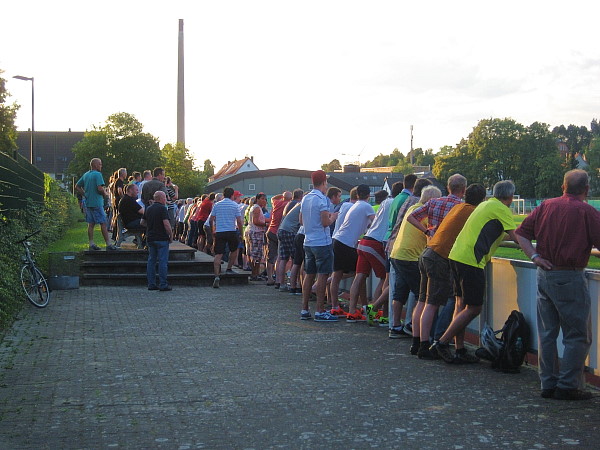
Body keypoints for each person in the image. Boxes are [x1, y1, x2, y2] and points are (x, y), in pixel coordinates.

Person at [516, 169, 600, 401]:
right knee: (577, 335)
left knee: (548, 333)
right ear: (586, 189)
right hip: (570, 277)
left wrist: (534, 257)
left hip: (544, 274)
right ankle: (568, 385)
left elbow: (520, 234)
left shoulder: (546, 206)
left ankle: (548, 382)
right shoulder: (587, 212)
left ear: (563, 186)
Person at [430, 180, 519, 362]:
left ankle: (460, 349)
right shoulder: (502, 209)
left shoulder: (486, 204)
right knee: (474, 307)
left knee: (460, 304)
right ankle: (442, 343)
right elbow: (517, 237)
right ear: (510, 197)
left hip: (456, 255)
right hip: (471, 260)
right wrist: (537, 252)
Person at [412, 184, 486, 359]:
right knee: (433, 303)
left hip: (428, 252)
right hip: (439, 257)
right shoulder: (472, 212)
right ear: (482, 200)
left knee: (422, 300)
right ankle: (425, 346)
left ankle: (417, 343)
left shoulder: (459, 207)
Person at [386, 185, 442, 336]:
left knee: (400, 292)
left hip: (397, 254)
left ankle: (395, 326)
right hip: (411, 257)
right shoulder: (427, 213)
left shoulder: (413, 208)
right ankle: (416, 327)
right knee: (422, 295)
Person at [331, 184, 375, 321]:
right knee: (360, 274)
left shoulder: (354, 205)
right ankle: (359, 309)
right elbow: (376, 223)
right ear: (369, 195)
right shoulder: (366, 206)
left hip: (337, 240)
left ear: (356, 195)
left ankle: (335, 306)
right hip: (347, 243)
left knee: (337, 274)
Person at [300, 170, 339, 321]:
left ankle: (304, 309)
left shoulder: (306, 198)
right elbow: (325, 222)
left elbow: (302, 220)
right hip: (322, 242)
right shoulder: (322, 200)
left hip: (308, 241)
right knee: (323, 275)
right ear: (323, 182)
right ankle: (320, 310)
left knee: (309, 275)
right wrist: (333, 217)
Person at [75, 158, 120, 251]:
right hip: (97, 202)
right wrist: (105, 195)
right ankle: (108, 244)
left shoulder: (86, 174)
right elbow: (100, 188)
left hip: (88, 203)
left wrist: (84, 194)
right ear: (95, 165)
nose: (101, 166)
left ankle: (91, 243)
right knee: (103, 222)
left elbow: (77, 186)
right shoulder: (98, 174)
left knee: (90, 224)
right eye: (100, 164)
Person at [209, 187, 243, 289]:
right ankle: (229, 268)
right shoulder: (235, 205)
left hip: (220, 231)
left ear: (223, 195)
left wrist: (213, 230)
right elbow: (239, 221)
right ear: (232, 195)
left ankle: (216, 276)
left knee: (218, 254)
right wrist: (241, 233)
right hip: (231, 231)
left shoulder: (217, 205)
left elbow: (211, 219)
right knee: (234, 251)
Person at [141, 190, 172, 292]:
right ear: (161, 198)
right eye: (165, 198)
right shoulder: (163, 209)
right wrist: (170, 235)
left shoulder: (149, 209)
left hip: (151, 237)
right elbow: (166, 224)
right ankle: (163, 284)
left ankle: (151, 283)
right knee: (163, 261)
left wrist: (151, 225)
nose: (166, 200)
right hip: (162, 238)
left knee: (151, 261)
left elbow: (142, 222)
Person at [266, 192, 291, 287]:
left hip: (271, 230)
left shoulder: (276, 203)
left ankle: (269, 278)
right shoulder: (288, 205)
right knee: (281, 258)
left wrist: (282, 195)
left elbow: (273, 197)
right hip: (279, 231)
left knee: (271, 256)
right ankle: (279, 279)